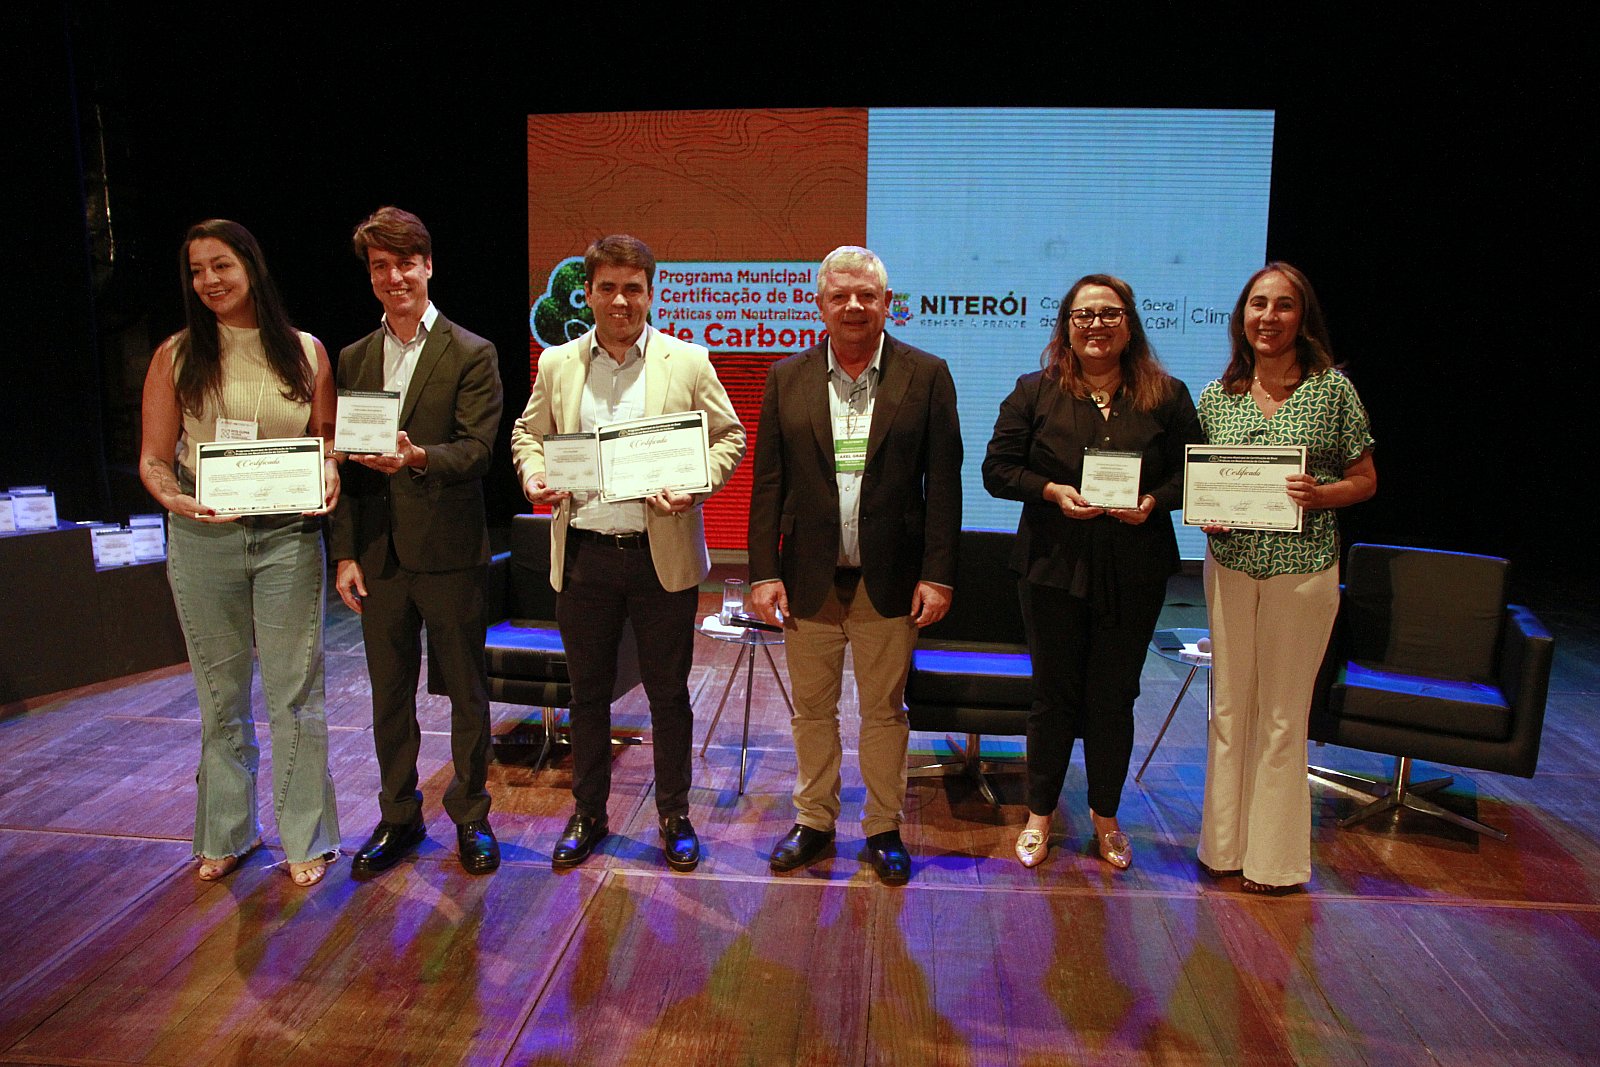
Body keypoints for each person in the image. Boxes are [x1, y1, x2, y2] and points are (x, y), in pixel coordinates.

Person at [511, 234, 745, 872]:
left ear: (650, 293)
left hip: (659, 555)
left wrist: (697, 483)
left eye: (633, 289)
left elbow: (728, 436)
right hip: (584, 555)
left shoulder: (687, 361)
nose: (621, 301)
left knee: (669, 694)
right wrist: (535, 474)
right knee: (587, 695)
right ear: (588, 293)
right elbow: (528, 433)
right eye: (608, 288)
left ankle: (674, 814)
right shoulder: (557, 363)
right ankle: (588, 813)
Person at [748, 245, 962, 886]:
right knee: (811, 712)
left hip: (888, 578)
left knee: (885, 712)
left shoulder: (927, 375)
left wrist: (938, 573)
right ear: (820, 303)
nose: (853, 306)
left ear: (887, 303)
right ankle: (813, 820)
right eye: (840, 295)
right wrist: (763, 572)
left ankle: (882, 826)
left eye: (866, 295)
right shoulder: (786, 377)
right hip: (807, 577)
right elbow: (768, 483)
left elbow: (944, 485)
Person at [138, 219, 342, 887]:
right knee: (219, 694)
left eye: (221, 265)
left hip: (287, 536)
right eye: (197, 270)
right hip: (205, 537)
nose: (209, 280)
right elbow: (153, 458)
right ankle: (227, 832)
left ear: (250, 266)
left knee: (296, 692)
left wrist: (330, 471)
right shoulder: (175, 355)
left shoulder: (306, 352)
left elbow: (326, 442)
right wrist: (176, 500)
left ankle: (306, 837)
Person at [982, 274, 1201, 871]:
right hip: (1052, 566)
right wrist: (1051, 490)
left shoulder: (1167, 395)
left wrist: (1154, 501)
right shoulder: (1034, 391)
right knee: (1052, 696)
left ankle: (1106, 816)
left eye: (1109, 313)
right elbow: (997, 470)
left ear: (1129, 324)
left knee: (1114, 696)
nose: (1096, 325)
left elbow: (1194, 472)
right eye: (1084, 315)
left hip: (1135, 570)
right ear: (1067, 327)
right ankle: (1039, 814)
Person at [330, 207, 505, 877]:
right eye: (381, 266)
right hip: (379, 555)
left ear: (428, 265)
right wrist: (345, 553)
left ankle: (472, 815)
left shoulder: (471, 351)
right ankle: (399, 815)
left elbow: (478, 450)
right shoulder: (354, 357)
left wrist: (417, 457)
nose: (394, 277)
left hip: (450, 551)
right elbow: (347, 464)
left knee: (466, 690)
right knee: (389, 694)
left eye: (405, 263)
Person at [1196, 261, 1376, 894]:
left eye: (1283, 305)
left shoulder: (1332, 391)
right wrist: (1207, 509)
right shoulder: (1215, 397)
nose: (1268, 317)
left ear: (1303, 318)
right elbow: (1202, 480)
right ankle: (1222, 848)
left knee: (1281, 714)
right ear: (1241, 317)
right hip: (1230, 565)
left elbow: (1365, 479)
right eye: (1258, 304)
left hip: (1303, 570)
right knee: (1228, 707)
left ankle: (1274, 863)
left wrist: (1322, 495)